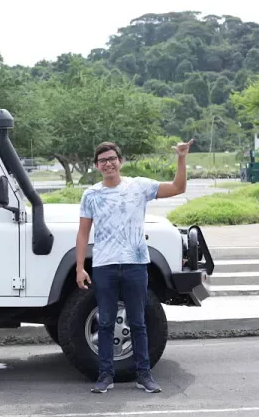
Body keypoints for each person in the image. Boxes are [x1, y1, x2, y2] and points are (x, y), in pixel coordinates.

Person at [76, 139, 193, 394]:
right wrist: (79, 267)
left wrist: (181, 158)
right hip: (105, 265)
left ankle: (144, 375)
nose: (108, 164)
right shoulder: (91, 195)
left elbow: (177, 187)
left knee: (138, 322)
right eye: (103, 160)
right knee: (105, 322)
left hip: (136, 264)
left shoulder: (139, 186)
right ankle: (105, 376)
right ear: (97, 166)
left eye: (112, 159)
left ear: (121, 161)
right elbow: (83, 233)